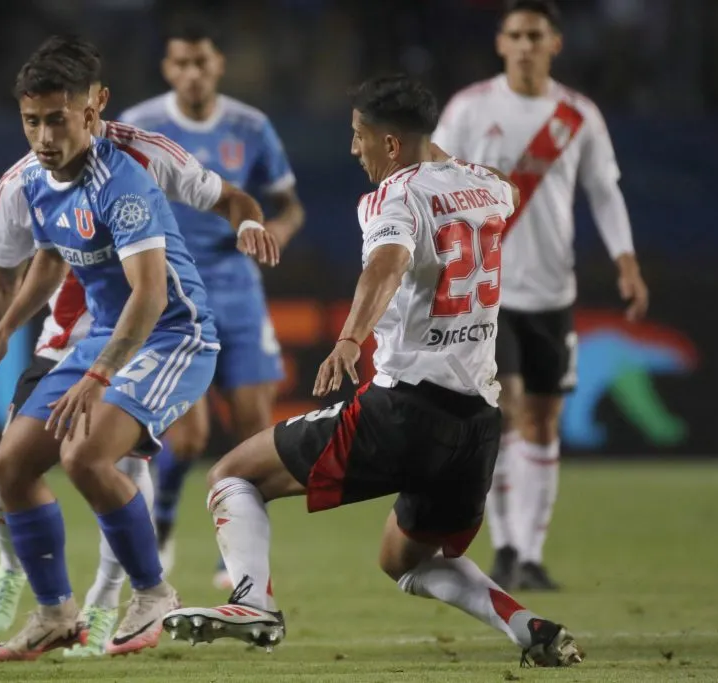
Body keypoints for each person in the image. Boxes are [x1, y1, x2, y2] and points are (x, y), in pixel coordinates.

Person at [162, 74, 584, 668]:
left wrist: (350, 337)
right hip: (476, 428)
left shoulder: (394, 196)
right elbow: (481, 197)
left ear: (390, 143)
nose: (353, 149)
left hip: (409, 408)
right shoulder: (489, 187)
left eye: (359, 136)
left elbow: (385, 265)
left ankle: (253, 600)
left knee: (234, 475)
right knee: (402, 559)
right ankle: (527, 625)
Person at [0, 36, 278, 657]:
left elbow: (152, 297)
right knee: (10, 467)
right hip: (107, 334)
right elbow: (48, 260)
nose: (44, 137)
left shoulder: (124, 178)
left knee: (86, 457)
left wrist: (96, 375)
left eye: (57, 120)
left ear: (91, 110)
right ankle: (56, 613)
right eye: (32, 122)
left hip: (174, 335)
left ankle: (152, 594)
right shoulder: (29, 182)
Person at [431, 0, 648, 591]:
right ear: (501, 44)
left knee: (546, 423)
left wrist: (626, 263)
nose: (525, 44)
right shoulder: (470, 108)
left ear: (555, 43)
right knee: (508, 417)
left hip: (554, 292)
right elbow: (434, 176)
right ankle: (505, 548)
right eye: (516, 35)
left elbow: (605, 193)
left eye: (536, 35)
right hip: (489, 293)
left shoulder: (579, 115)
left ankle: (529, 552)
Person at [119, 17, 305, 588]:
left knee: (254, 432)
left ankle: (241, 566)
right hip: (172, 289)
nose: (193, 73)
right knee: (191, 435)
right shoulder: (139, 126)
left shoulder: (251, 127)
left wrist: (268, 233)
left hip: (238, 287)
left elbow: (289, 206)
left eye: (202, 62)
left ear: (218, 64)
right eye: (181, 63)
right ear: (167, 68)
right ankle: (166, 515)